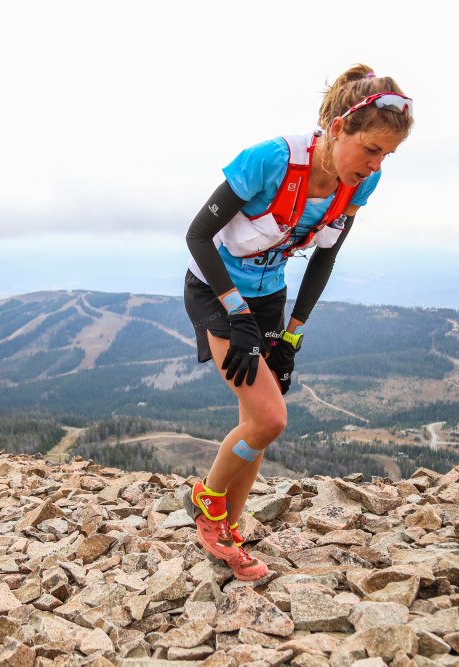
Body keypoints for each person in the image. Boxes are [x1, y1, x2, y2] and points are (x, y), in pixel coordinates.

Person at [182, 64, 414, 580]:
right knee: (270, 418)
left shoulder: (356, 187)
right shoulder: (270, 159)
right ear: (338, 130)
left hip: (268, 298)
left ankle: (228, 531)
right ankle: (207, 502)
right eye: (372, 149)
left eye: (388, 156)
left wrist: (292, 333)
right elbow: (198, 236)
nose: (376, 166)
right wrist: (235, 313)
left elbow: (325, 258)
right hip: (216, 289)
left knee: (257, 420)